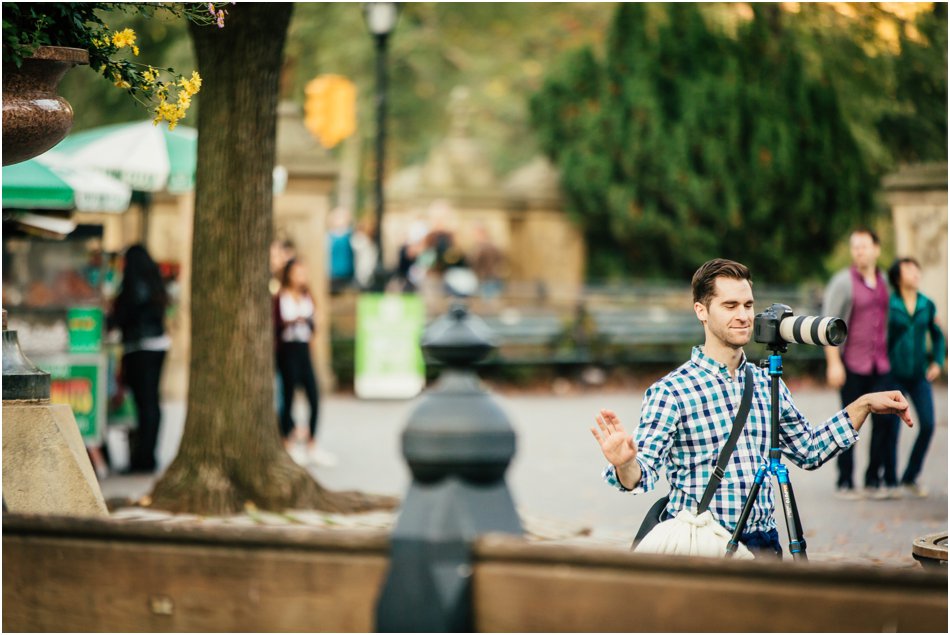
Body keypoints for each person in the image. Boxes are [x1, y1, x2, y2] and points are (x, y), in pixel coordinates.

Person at [590, 259, 913, 558]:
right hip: (704, 545)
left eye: (747, 305)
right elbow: (640, 475)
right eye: (729, 306)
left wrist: (863, 404)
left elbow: (809, 450)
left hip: (764, 545)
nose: (743, 316)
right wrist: (625, 463)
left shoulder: (765, 383)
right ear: (701, 311)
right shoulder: (671, 391)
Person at [822, 228, 902, 499]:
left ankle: (873, 479)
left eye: (864, 246)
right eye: (855, 247)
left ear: (877, 249)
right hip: (853, 363)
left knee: (884, 424)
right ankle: (845, 481)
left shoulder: (886, 283)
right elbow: (829, 325)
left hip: (881, 363)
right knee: (850, 420)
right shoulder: (843, 282)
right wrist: (834, 363)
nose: (859, 252)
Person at [106, 244, 171, 474]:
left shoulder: (135, 286)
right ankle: (147, 455)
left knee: (145, 405)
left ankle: (143, 458)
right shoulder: (154, 283)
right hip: (158, 344)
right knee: (151, 402)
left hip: (140, 347)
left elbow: (121, 317)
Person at [887, 257, 946, 498]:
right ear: (898, 276)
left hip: (919, 375)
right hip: (894, 374)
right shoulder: (889, 303)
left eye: (916, 268)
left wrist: (938, 361)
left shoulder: (927, 304)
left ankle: (910, 476)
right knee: (891, 428)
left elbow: (939, 336)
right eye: (908, 269)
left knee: (929, 424)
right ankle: (890, 481)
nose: (915, 272)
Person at [273, 258, 336, 467]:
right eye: (298, 272)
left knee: (313, 396)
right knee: (288, 397)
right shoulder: (280, 297)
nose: (302, 277)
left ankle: (312, 444)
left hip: (303, 349)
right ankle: (288, 442)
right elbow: (276, 325)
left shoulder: (307, 296)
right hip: (287, 350)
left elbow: (315, 325)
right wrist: (292, 322)